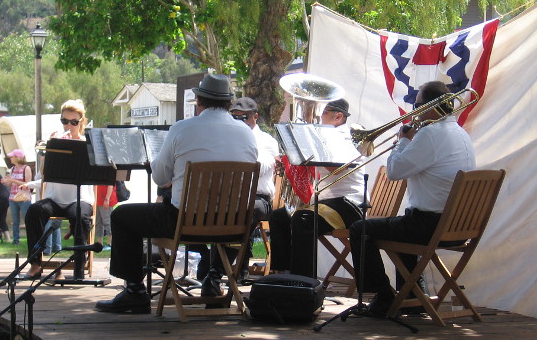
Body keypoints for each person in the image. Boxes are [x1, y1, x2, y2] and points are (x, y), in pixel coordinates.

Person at [95, 73, 257, 314]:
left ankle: (135, 292)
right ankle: (215, 277)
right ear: (228, 103)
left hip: (184, 222)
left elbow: (160, 178)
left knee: (121, 216)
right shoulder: (247, 133)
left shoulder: (182, 128)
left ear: (199, 101)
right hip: (232, 226)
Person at [348, 81, 476, 315]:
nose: (413, 111)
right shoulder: (461, 133)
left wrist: (404, 140)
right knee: (403, 221)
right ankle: (411, 294)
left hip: (430, 226)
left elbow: (395, 172)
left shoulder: (430, 133)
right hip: (459, 227)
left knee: (360, 229)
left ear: (429, 107)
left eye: (416, 105)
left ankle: (383, 297)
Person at [269, 98, 365, 277]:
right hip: (328, 203)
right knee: (278, 217)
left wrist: (308, 149)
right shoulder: (327, 137)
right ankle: (282, 274)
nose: (320, 117)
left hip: (348, 204)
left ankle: (303, 281)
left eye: (324, 112)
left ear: (338, 116)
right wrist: (290, 162)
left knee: (303, 219)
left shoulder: (348, 137)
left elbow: (336, 170)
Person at [195, 97, 280, 281]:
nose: (239, 122)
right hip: (228, 195)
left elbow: (262, 167)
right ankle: (210, 261)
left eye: (244, 118)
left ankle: (228, 268)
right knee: (202, 208)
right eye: (234, 117)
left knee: (242, 210)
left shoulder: (266, 140)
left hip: (258, 197)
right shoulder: (225, 136)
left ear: (255, 117)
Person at [21, 99, 95, 279]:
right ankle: (36, 264)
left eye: (73, 122)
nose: (68, 126)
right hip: (54, 198)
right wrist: (51, 149)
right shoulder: (54, 141)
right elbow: (44, 175)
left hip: (79, 199)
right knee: (34, 211)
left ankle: (79, 264)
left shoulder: (87, 144)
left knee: (80, 215)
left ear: (81, 122)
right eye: (65, 121)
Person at [1, 149, 33, 245]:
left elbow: (28, 184)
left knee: (27, 219)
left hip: (23, 198)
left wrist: (13, 180)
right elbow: (12, 184)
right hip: (13, 197)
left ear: (17, 157)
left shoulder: (26, 168)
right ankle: (16, 240)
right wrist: (7, 182)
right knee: (15, 221)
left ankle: (31, 239)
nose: (10, 158)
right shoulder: (12, 169)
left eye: (12, 157)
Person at [95, 184, 117, 251]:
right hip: (97, 200)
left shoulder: (108, 174)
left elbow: (110, 185)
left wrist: (107, 199)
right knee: (98, 223)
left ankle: (110, 243)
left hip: (106, 200)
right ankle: (99, 244)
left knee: (107, 222)